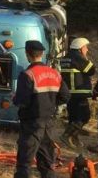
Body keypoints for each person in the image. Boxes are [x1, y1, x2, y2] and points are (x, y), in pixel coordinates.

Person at [13, 40, 70, 178]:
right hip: (48, 123)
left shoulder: (28, 74)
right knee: (47, 162)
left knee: (24, 162)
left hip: (31, 123)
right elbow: (66, 96)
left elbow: (22, 101)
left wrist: (15, 98)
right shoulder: (55, 74)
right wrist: (51, 103)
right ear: (42, 53)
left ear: (27, 54)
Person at [59, 37, 95, 148]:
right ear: (80, 48)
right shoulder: (78, 58)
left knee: (73, 117)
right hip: (79, 93)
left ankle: (73, 137)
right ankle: (66, 135)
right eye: (85, 47)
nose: (87, 50)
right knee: (84, 116)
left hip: (69, 94)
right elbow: (92, 70)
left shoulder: (65, 58)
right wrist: (84, 57)